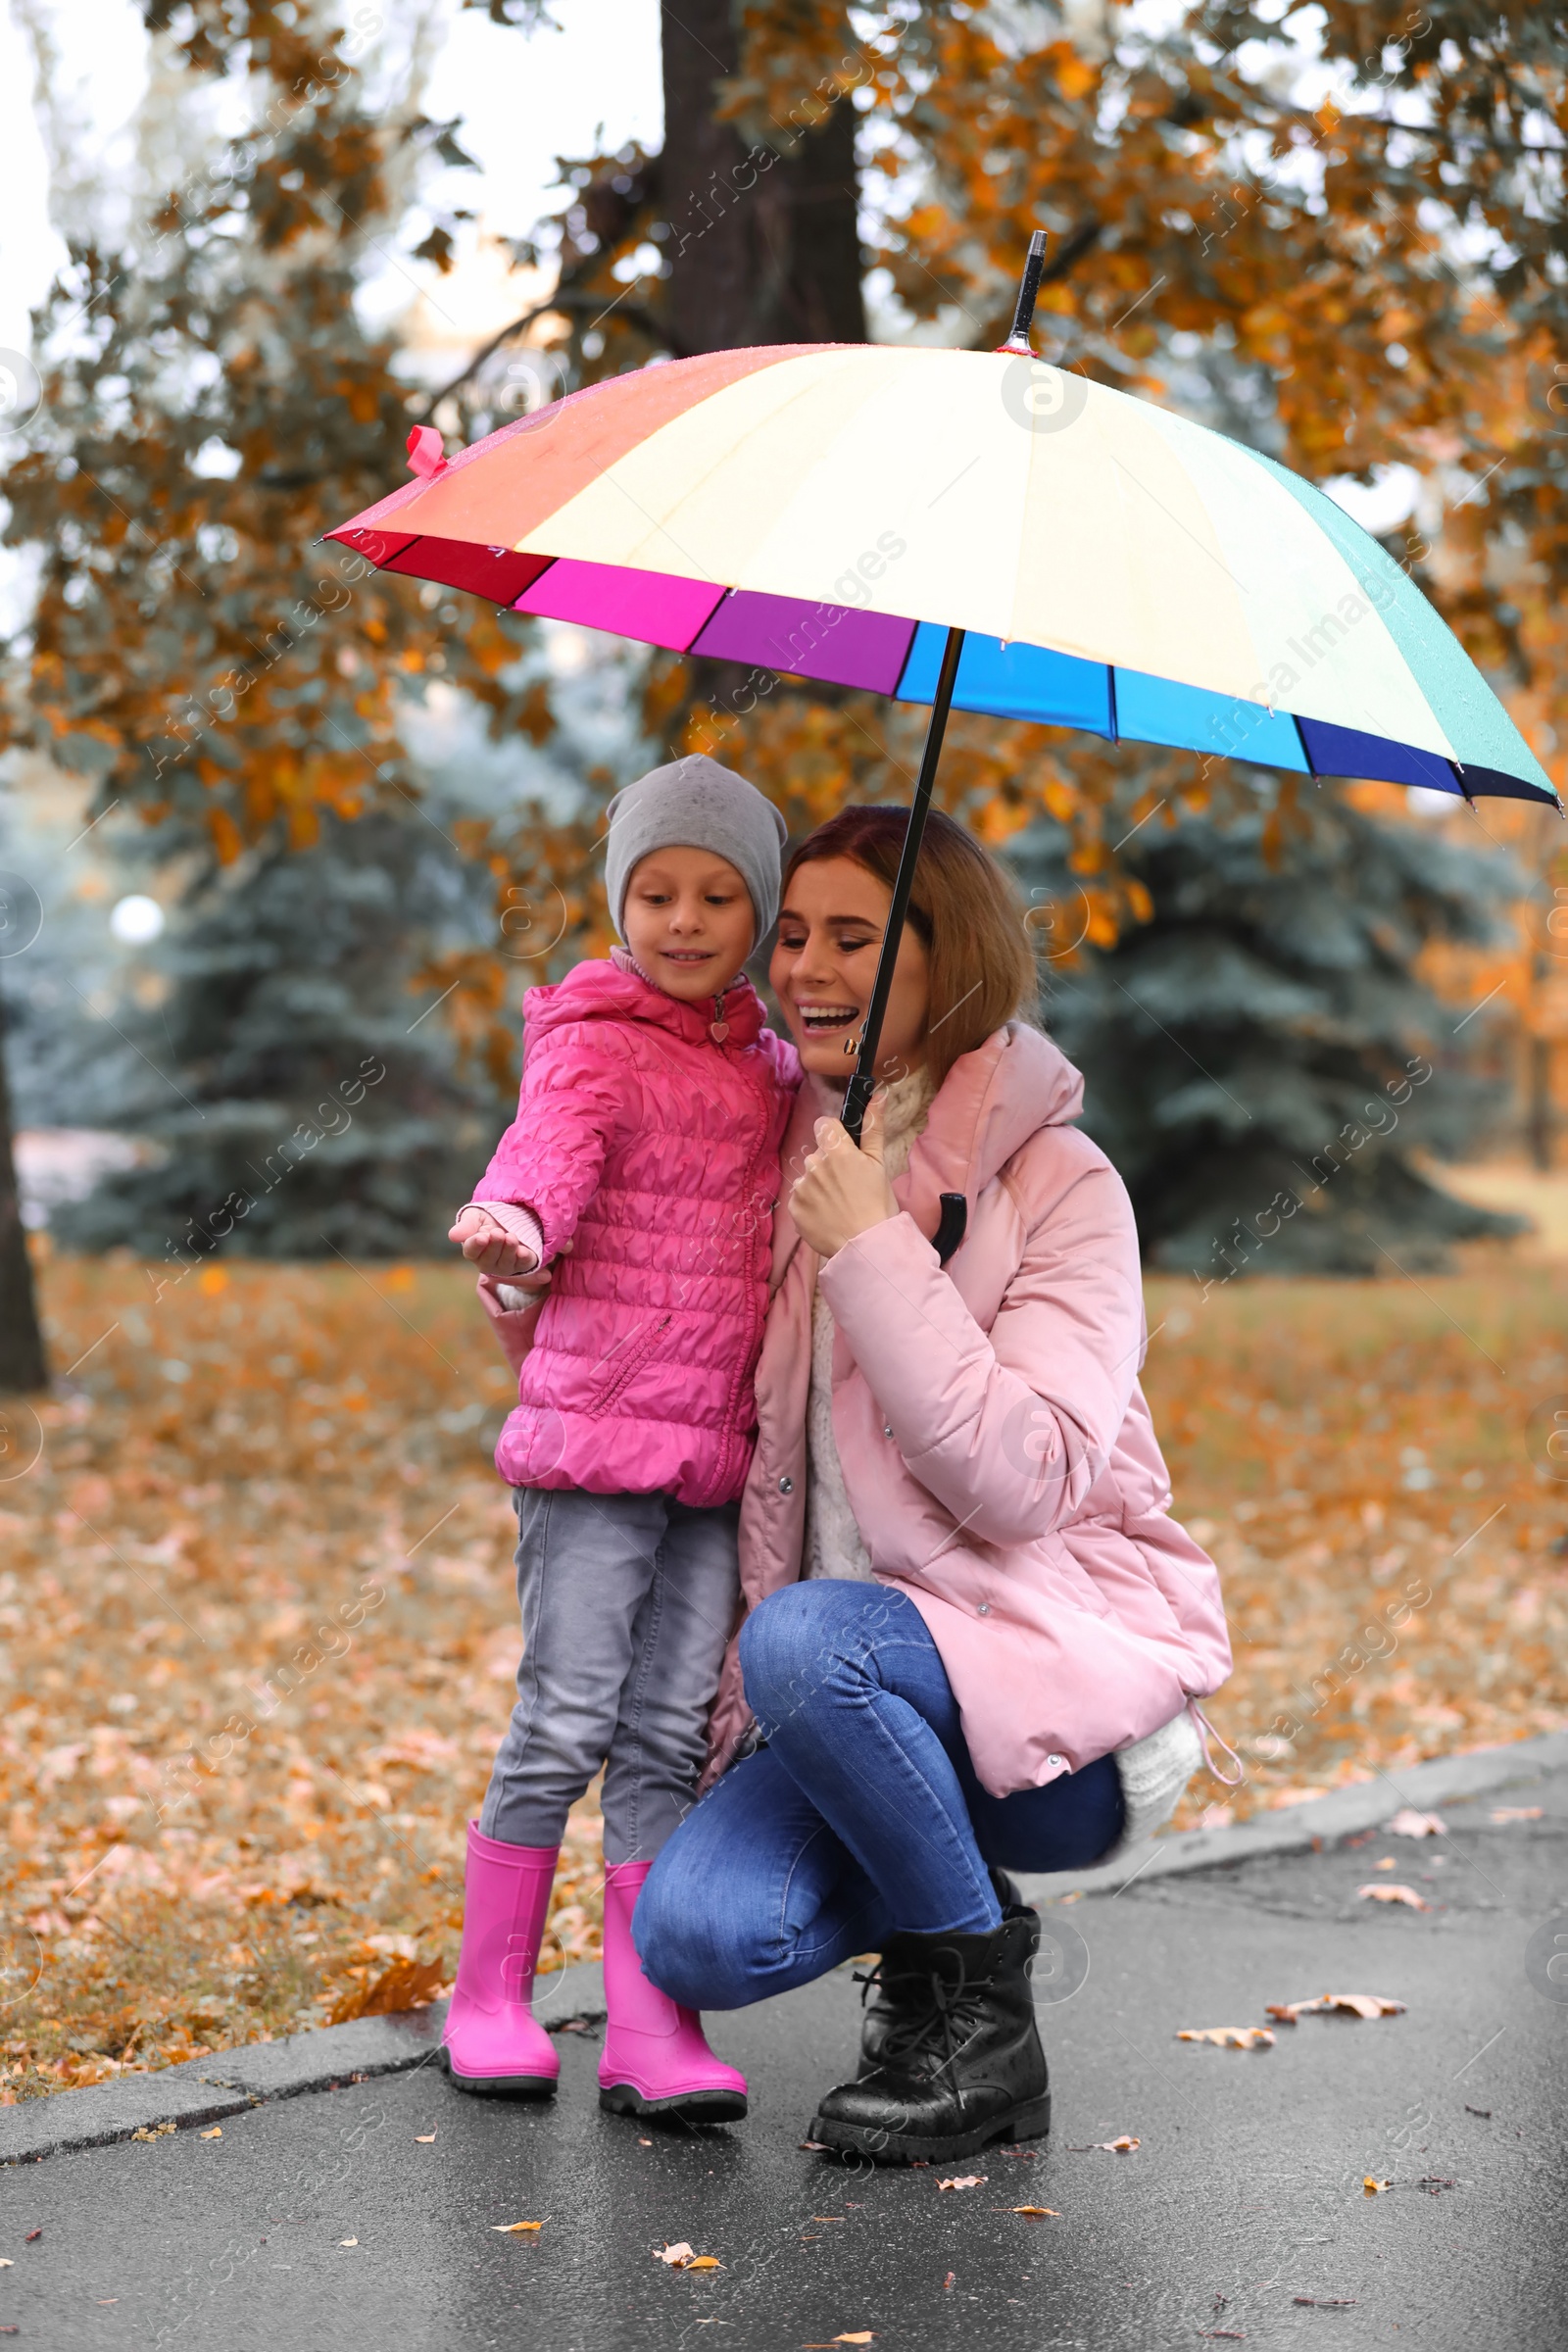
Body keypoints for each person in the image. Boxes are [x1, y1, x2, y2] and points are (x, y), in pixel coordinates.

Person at [634, 805, 1233, 2164]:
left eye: (855, 937)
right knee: (702, 1935)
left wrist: (873, 1251)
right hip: (842, 1702)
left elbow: (1024, 1478)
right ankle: (933, 1901)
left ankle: (976, 2016)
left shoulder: (1062, 1183)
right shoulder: (796, 1151)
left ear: (948, 959)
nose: (806, 969)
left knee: (809, 1635)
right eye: (789, 936)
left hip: (1061, 1717)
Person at [443, 754, 796, 2122]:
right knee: (567, 1717)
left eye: (719, 896)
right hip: (593, 1442)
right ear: (619, 902)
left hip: (706, 1454)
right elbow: (550, 1152)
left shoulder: (770, 1069)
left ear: (755, 915)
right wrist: (516, 1231)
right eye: (658, 893)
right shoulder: (591, 1035)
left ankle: (650, 2020)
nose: (688, 920)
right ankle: (491, 1996)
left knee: (664, 1735)